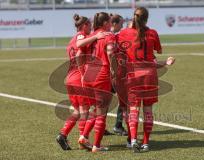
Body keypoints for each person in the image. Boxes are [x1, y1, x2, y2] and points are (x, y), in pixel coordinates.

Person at [118, 7, 175, 153]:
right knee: (148, 110)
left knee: (133, 110)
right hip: (150, 76)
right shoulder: (152, 33)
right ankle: (145, 143)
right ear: (147, 19)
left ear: (133, 18)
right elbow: (159, 51)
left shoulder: (124, 33)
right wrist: (165, 62)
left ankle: (132, 141)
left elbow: (117, 50)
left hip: (133, 76)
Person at [56, 14, 108, 151]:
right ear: (83, 25)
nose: (91, 27)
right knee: (85, 111)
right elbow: (79, 48)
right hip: (79, 78)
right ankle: (82, 138)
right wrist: (96, 37)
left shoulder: (71, 40)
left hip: (70, 79)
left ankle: (64, 134)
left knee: (78, 111)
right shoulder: (81, 37)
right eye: (89, 24)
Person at [78, 12, 116, 152]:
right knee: (102, 113)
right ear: (105, 22)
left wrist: (82, 73)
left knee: (95, 110)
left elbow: (79, 54)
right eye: (110, 21)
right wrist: (113, 70)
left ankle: (83, 137)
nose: (111, 24)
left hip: (89, 74)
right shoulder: (108, 35)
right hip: (101, 75)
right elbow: (111, 52)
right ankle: (96, 146)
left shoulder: (91, 36)